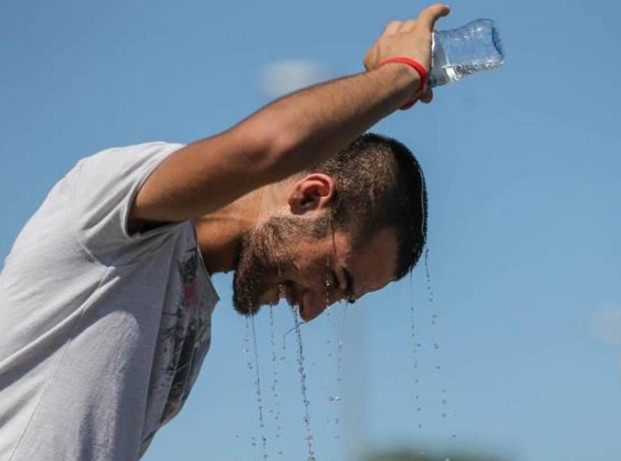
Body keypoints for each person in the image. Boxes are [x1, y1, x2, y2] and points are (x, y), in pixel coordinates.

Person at [0, 4, 450, 459]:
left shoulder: (194, 321)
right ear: (310, 197)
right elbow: (268, 148)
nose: (312, 311)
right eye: (334, 280)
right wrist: (402, 74)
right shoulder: (119, 206)